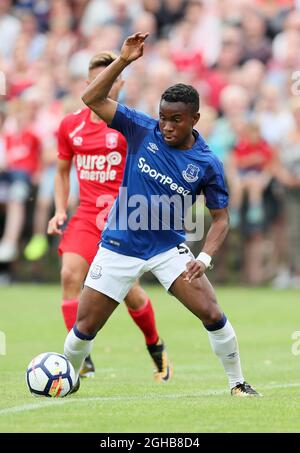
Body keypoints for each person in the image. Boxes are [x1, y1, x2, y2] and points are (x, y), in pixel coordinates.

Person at [64, 32, 260, 397]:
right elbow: (90, 97)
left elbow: (221, 218)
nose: (167, 126)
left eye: (176, 119)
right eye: (163, 118)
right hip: (119, 245)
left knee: (213, 314)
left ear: (194, 119)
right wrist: (123, 61)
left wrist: (204, 256)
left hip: (169, 250)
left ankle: (238, 383)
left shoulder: (206, 164)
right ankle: (66, 381)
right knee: (84, 328)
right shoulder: (140, 129)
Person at [47, 50, 172, 382]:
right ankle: (80, 360)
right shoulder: (70, 126)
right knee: (70, 275)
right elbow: (61, 172)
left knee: (129, 291)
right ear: (90, 83)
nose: (105, 84)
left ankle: (156, 347)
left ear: (121, 83)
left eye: (112, 78)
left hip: (123, 219)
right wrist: (60, 209)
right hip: (87, 216)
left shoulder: (131, 126)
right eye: (99, 79)